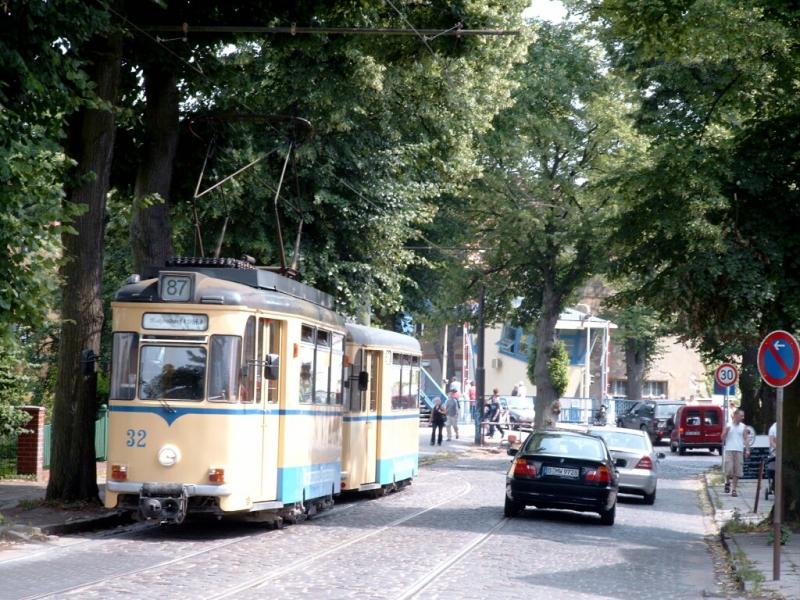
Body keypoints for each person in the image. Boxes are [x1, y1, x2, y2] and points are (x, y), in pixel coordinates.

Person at [721, 408, 750, 496]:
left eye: (743, 416)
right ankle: (727, 482)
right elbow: (722, 438)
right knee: (728, 469)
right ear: (736, 415)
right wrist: (726, 432)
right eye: (741, 416)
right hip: (729, 449)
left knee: (737, 471)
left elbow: (746, 438)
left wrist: (747, 449)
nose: (742, 417)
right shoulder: (728, 425)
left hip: (739, 450)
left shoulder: (743, 426)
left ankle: (734, 489)